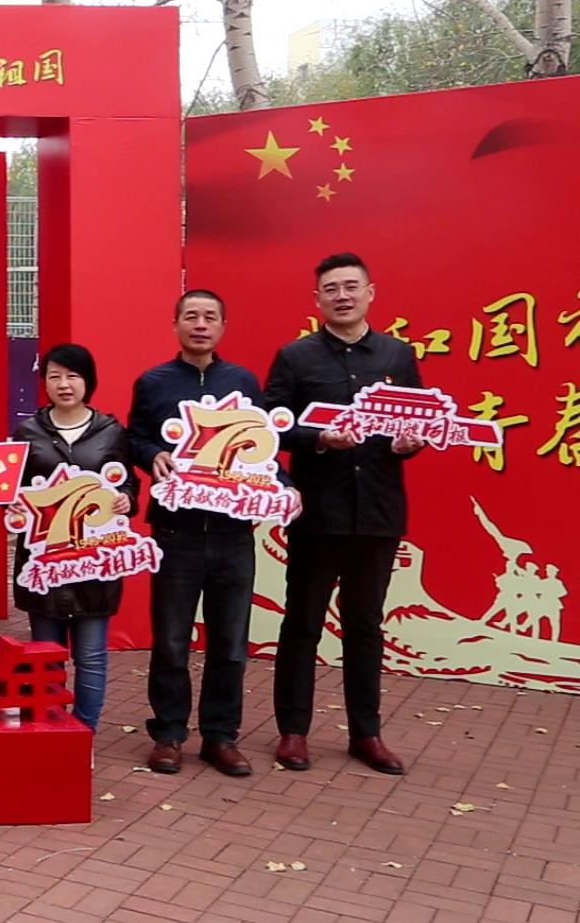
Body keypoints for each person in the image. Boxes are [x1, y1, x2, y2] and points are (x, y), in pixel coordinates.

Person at [263, 252, 424, 776]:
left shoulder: (398, 355)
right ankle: (293, 731)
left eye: (351, 286)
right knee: (302, 621)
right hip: (318, 511)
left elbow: (419, 423)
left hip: (377, 511)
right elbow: (270, 428)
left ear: (370, 293)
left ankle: (366, 733)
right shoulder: (296, 358)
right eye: (331, 289)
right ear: (317, 300)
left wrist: (409, 444)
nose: (342, 296)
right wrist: (319, 439)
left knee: (365, 624)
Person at [127, 291, 294, 777]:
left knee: (230, 642)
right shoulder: (153, 382)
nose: (200, 325)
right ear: (175, 324)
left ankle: (220, 737)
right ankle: (169, 734)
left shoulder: (241, 382)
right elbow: (134, 437)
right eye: (191, 316)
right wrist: (151, 454)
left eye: (210, 317)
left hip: (232, 534)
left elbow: (263, 448)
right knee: (171, 640)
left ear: (222, 327)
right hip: (175, 531)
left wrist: (284, 487)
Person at [9, 343, 137, 733]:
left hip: (93, 563)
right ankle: (51, 735)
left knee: (91, 657)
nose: (64, 384)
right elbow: (10, 490)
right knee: (45, 658)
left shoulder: (111, 432)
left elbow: (128, 482)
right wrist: (11, 507)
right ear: (45, 383)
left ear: (88, 382)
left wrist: (126, 499)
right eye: (55, 376)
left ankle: (84, 734)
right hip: (43, 564)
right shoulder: (27, 432)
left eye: (73, 376)